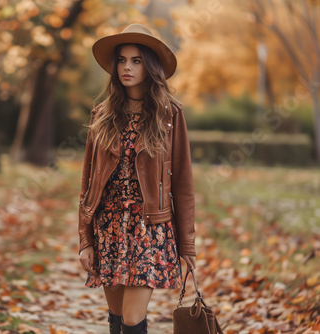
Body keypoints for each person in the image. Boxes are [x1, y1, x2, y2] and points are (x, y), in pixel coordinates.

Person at [78, 23, 197, 334]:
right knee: (117, 318)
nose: (126, 68)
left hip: (150, 230)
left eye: (136, 60)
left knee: (132, 319)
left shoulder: (170, 115)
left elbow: (183, 185)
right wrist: (85, 240)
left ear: (150, 65)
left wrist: (188, 247)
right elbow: (88, 184)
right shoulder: (102, 115)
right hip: (109, 227)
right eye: (121, 60)